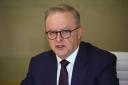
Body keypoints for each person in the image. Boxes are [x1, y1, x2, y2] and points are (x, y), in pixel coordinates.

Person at [20, 4, 119, 85]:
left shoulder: (102, 62)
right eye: (52, 32)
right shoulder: (38, 63)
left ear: (79, 33)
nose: (58, 39)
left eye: (65, 31)